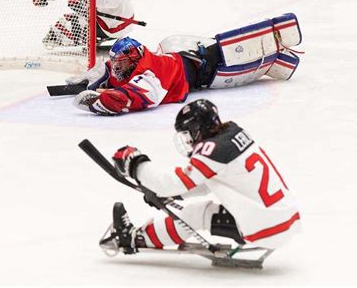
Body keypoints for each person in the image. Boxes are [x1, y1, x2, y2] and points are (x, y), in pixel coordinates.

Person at [105, 99, 301, 254]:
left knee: (197, 213)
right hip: (284, 219)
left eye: (189, 134)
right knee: (204, 210)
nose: (189, 141)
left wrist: (136, 164)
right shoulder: (233, 134)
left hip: (268, 228)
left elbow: (172, 183)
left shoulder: (212, 150)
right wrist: (175, 196)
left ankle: (132, 238)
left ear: (197, 129)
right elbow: (211, 182)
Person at [69, 13, 303, 115]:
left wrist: (98, 101)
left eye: (120, 62)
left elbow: (130, 100)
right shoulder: (138, 62)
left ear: (132, 60)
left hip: (205, 70)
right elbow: (112, 71)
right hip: (184, 55)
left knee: (233, 54)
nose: (116, 66)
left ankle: (275, 55)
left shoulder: (150, 77)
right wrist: (95, 79)